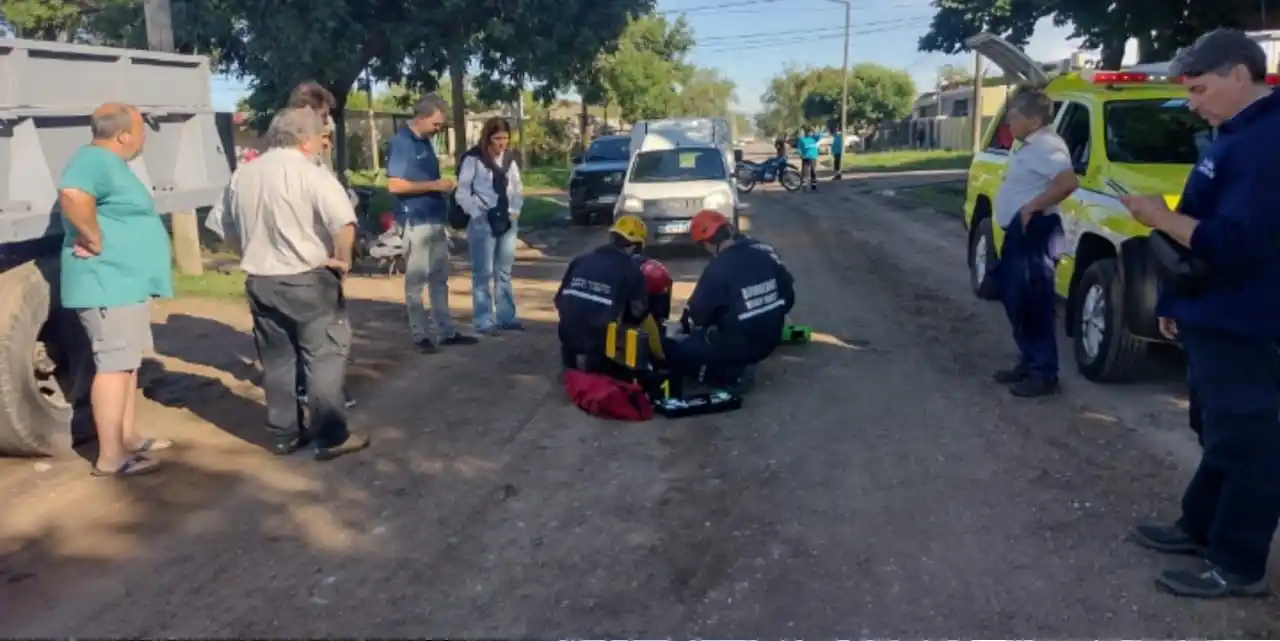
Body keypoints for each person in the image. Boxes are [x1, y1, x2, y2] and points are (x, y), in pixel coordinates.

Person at [1121, 29, 1280, 599]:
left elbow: (1233, 243)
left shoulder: (1268, 144)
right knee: (1217, 430)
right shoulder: (1233, 134)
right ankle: (1198, 527)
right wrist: (1173, 304)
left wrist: (1157, 217)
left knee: (1250, 443)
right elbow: (1201, 224)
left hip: (1248, 319)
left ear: (1240, 73)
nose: (1193, 102)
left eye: (1199, 88)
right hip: (1211, 312)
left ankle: (1238, 565)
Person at [205, 107, 370, 461]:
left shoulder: (243, 175)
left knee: (278, 361)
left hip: (261, 280)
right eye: (320, 137)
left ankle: (284, 433)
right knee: (323, 356)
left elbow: (223, 227)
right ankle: (330, 435)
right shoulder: (311, 174)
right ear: (304, 138)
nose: (322, 145)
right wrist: (343, 261)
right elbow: (343, 223)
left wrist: (248, 251)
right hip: (308, 278)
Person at [57, 103, 175, 477]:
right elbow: (73, 195)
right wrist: (92, 238)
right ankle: (111, 457)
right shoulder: (92, 160)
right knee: (112, 366)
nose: (143, 139)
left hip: (126, 283)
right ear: (123, 134)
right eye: (140, 131)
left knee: (126, 364)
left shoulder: (110, 165)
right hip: (107, 282)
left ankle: (128, 439)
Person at [989, 88, 1078, 398]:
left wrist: (1033, 206)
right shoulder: (1028, 146)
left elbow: (1068, 182)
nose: (1009, 122)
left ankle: (1043, 373)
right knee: (1015, 300)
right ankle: (1028, 361)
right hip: (1020, 233)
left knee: (1033, 303)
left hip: (1035, 233)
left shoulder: (1047, 145)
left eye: (1014, 116)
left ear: (1035, 119)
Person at [665, 210, 795, 393]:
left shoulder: (718, 269)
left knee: (677, 350)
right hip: (771, 339)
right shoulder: (762, 254)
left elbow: (697, 316)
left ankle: (728, 373)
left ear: (707, 243)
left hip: (740, 346)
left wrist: (678, 331)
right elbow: (788, 295)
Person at [387, 94, 479, 353]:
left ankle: (446, 331)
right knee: (416, 281)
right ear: (422, 117)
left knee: (439, 278)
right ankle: (421, 335)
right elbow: (394, 185)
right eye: (437, 123)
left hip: (435, 217)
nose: (439, 128)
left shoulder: (426, 142)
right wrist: (434, 185)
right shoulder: (402, 142)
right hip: (415, 220)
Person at [285, 81, 357, 410]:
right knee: (314, 328)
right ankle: (315, 394)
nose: (327, 122)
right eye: (323, 115)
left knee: (325, 326)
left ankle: (325, 388)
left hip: (320, 244)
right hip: (306, 250)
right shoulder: (292, 150)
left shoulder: (317, 147)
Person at [554, 216, 650, 372]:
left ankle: (570, 363)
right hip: (599, 343)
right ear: (636, 246)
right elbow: (638, 311)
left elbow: (559, 300)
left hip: (567, 334)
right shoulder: (631, 270)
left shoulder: (581, 260)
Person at [456, 116, 524, 334]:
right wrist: (476, 214)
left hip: (507, 219)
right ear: (487, 138)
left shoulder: (509, 159)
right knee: (483, 272)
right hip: (483, 219)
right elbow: (462, 192)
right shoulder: (473, 159)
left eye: (505, 138)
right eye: (497, 138)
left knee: (503, 271)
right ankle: (484, 319)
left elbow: (516, 187)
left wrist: (515, 210)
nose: (502, 143)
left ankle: (507, 316)